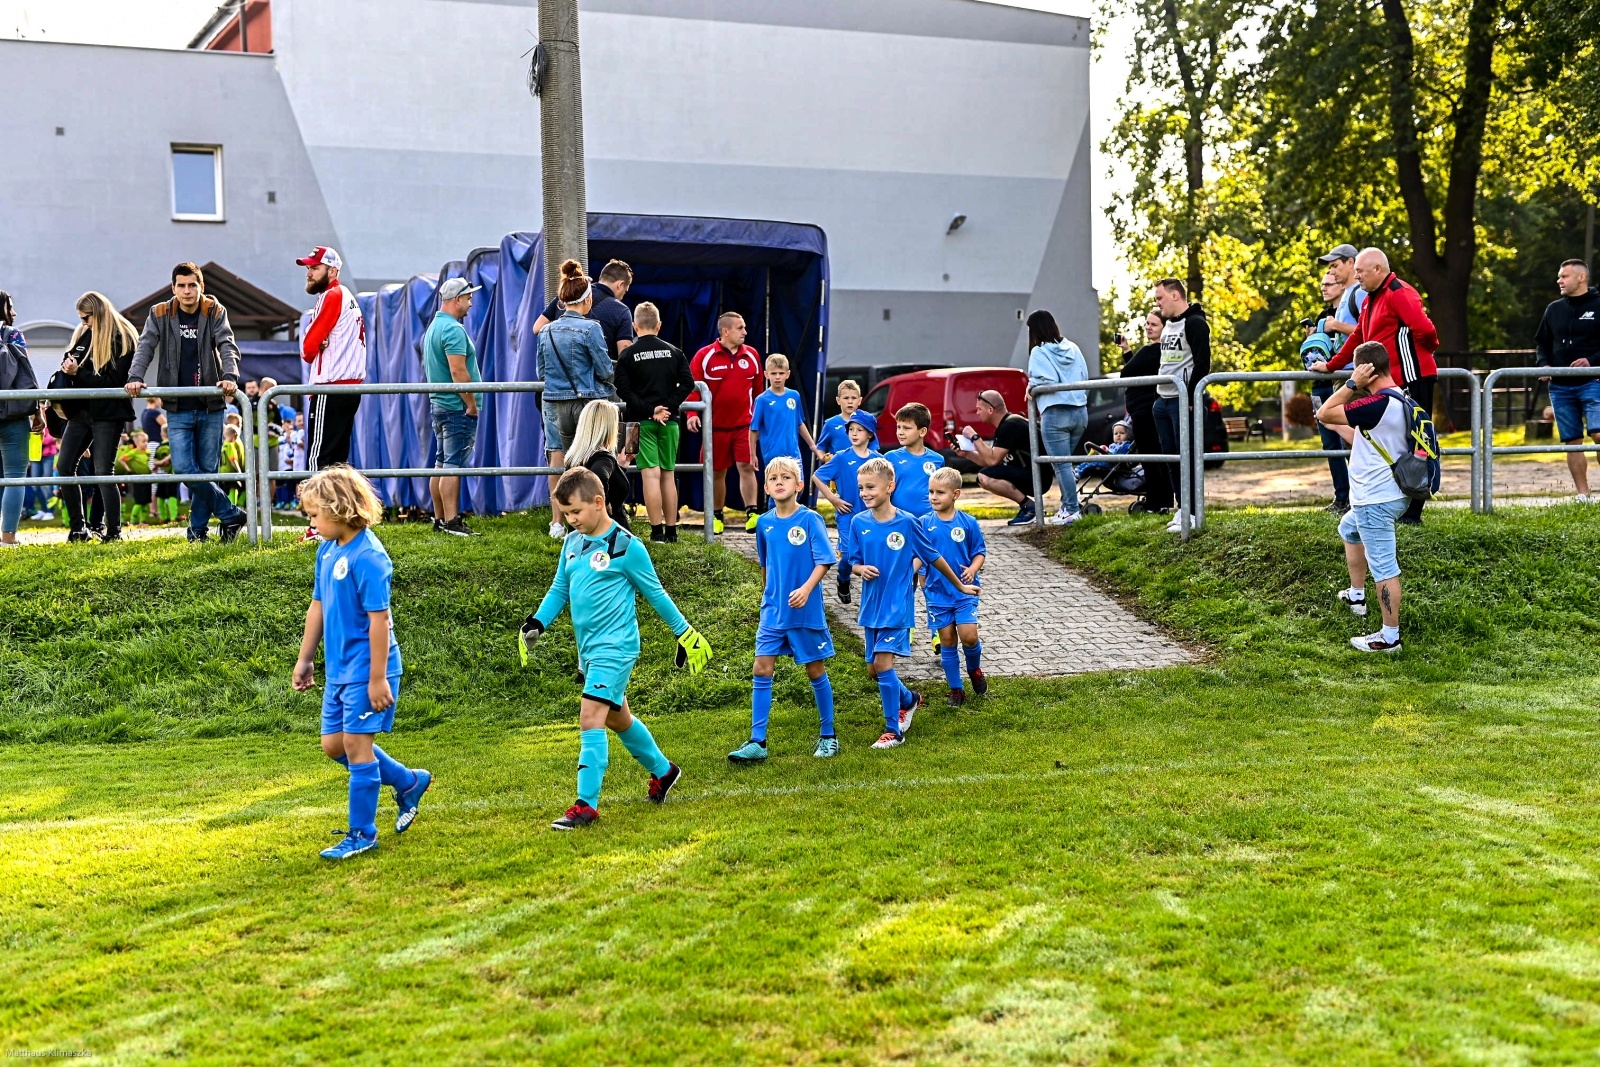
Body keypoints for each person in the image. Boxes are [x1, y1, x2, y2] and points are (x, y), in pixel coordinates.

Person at [517, 466, 713, 831]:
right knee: (616, 717)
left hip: (616, 648)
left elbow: (656, 593)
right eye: (566, 514)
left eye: (576, 511)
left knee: (590, 716)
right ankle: (664, 770)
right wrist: (538, 622)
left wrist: (684, 632)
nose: (572, 519)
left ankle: (585, 805)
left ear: (598, 502)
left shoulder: (626, 546)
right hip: (588, 651)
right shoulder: (572, 544)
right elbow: (560, 588)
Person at [292, 465, 432, 860]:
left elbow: (380, 622)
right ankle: (407, 782)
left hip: (370, 669)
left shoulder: (369, 557)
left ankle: (362, 833)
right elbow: (317, 606)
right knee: (333, 745)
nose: (312, 522)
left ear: (339, 510)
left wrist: (376, 680)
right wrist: (305, 659)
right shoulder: (327, 550)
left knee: (356, 745)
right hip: (339, 670)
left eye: (315, 515)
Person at [847, 457, 980, 749]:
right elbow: (852, 560)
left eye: (871, 487)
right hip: (871, 606)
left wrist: (959, 584)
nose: (865, 493)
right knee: (873, 670)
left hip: (897, 606)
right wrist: (859, 570)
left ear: (890, 486)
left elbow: (934, 557)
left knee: (883, 664)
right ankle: (911, 699)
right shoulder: (858, 522)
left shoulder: (908, 523)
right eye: (861, 488)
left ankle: (893, 730)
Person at [125, 262, 249, 544]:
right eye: (181, 285)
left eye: (192, 285)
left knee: (207, 472)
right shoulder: (159, 313)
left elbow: (227, 344)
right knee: (182, 469)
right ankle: (231, 514)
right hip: (178, 405)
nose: (187, 291)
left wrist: (230, 375)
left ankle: (197, 533)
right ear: (173, 288)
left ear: (201, 287)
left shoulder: (215, 311)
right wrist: (135, 376)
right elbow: (145, 346)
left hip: (211, 405)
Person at [726, 457, 840, 763]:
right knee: (761, 668)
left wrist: (805, 589)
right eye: (773, 478)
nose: (779, 482)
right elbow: (765, 566)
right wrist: (768, 597)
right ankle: (757, 742)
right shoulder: (764, 523)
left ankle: (829, 736)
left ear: (799, 486)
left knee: (815, 670)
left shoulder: (810, 520)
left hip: (804, 612)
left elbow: (825, 560)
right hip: (773, 611)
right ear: (765, 487)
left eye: (786, 477)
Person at [1312, 247, 1438, 525]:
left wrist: (1422, 357)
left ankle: (1413, 513)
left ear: (1377, 270)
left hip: (1413, 378)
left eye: (1360, 271)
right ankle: (1392, 501)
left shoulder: (1399, 293)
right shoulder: (1369, 298)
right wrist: (1331, 366)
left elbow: (1426, 331)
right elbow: (1359, 336)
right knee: (1378, 435)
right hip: (1385, 382)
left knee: (1416, 443)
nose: (1356, 276)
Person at [1315, 342, 1412, 653]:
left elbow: (1324, 411)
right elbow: (1368, 440)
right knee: (1348, 528)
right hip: (1387, 495)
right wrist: (1335, 424)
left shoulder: (1377, 402)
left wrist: (1350, 384)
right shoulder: (1401, 399)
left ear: (1366, 370)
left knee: (1383, 566)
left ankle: (1389, 636)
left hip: (1375, 499)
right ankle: (1357, 594)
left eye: (1356, 369)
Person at [538, 259, 615, 539]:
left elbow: (540, 371)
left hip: (553, 402)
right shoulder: (591, 328)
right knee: (589, 460)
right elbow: (605, 369)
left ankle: (559, 523)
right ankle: (593, 522)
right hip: (584, 402)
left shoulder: (545, 330)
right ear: (588, 298)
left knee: (558, 459)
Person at [58, 292, 138, 544]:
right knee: (63, 467)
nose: (83, 323)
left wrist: (78, 372)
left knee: (104, 471)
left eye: (86, 318)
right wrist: (68, 367)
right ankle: (78, 529)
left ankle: (113, 532)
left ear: (98, 313)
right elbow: (70, 362)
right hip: (81, 412)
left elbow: (114, 383)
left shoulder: (123, 337)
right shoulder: (84, 334)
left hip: (110, 413)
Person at [614, 301, 696, 542]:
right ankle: (672, 531)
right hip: (669, 422)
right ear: (659, 325)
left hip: (637, 423)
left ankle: (656, 532)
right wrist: (667, 408)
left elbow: (623, 390)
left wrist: (650, 411)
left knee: (650, 475)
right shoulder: (675, 352)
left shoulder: (627, 355)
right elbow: (688, 384)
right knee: (668, 474)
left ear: (634, 326)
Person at [688, 312, 763, 534]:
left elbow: (759, 392)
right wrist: (692, 414)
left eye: (745, 327)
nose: (745, 332)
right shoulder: (704, 355)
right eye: (740, 328)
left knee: (747, 466)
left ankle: (752, 513)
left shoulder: (752, 355)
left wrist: (758, 421)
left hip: (744, 426)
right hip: (714, 427)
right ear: (725, 331)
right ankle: (717, 515)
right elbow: (692, 390)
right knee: (717, 471)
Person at [297, 247, 367, 475]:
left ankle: (318, 510)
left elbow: (307, 350)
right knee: (337, 462)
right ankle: (336, 510)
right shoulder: (344, 296)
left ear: (333, 271)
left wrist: (312, 337)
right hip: (347, 387)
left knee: (319, 460)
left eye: (315, 268)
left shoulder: (333, 295)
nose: (309, 273)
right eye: (308, 268)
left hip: (331, 387)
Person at [1534, 258, 1600, 501]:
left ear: (1581, 278)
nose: (1558, 280)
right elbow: (1541, 343)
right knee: (1573, 441)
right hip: (1561, 386)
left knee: (1599, 434)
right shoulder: (1553, 309)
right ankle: (1583, 495)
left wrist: (1591, 361)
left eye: (1564, 276)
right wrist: (1544, 365)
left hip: (1594, 381)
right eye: (1559, 276)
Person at [423, 277, 484, 537]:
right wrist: (471, 404)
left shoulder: (435, 326)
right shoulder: (453, 330)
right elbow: (458, 371)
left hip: (440, 405)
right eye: (468, 298)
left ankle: (440, 520)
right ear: (456, 299)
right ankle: (451, 522)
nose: (471, 303)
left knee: (441, 463)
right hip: (456, 408)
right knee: (453, 466)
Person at [922, 468, 988, 706]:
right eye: (931, 492)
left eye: (940, 492)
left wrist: (973, 569)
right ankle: (956, 689)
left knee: (969, 636)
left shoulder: (968, 522)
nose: (934, 497)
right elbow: (920, 556)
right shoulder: (923, 523)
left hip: (965, 591)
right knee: (947, 640)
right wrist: (921, 580)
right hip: (937, 594)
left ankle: (974, 669)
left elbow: (979, 552)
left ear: (956, 494)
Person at [1152, 278, 1211, 533]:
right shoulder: (1167, 326)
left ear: (1175, 295)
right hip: (1162, 400)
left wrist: (1188, 396)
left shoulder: (1195, 323)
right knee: (1172, 458)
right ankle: (1182, 508)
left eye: (1160, 298)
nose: (1157, 303)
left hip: (1181, 400)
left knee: (1187, 457)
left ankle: (1195, 513)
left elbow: (1203, 364)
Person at [1024, 310, 1090, 525]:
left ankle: (1072, 510)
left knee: (1061, 465)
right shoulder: (1073, 347)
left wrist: (1032, 387)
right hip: (1080, 411)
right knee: (1066, 464)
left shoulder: (1039, 352)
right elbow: (1084, 377)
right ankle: (1066, 507)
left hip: (1055, 412)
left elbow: (1046, 380)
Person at [747, 353, 822, 529]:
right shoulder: (762, 400)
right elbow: (753, 429)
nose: (777, 377)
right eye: (773, 373)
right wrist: (752, 454)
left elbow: (799, 423)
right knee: (777, 490)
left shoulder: (794, 396)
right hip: (773, 455)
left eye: (781, 373)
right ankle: (775, 526)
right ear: (766, 374)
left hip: (793, 453)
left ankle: (791, 523)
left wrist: (812, 445)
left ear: (788, 374)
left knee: (797, 487)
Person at [811, 410, 880, 604]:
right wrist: (834, 500)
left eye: (859, 430)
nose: (854, 433)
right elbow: (817, 477)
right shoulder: (841, 457)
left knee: (871, 555)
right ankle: (843, 579)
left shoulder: (878, 460)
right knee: (849, 554)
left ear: (870, 435)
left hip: (872, 516)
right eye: (851, 429)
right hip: (847, 515)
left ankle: (873, 597)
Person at [957, 391, 1044, 527]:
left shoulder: (1011, 425)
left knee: (984, 477)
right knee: (986, 475)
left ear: (990, 410)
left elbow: (992, 461)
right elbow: (990, 461)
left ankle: (1030, 508)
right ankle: (1029, 508)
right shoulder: (1006, 424)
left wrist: (975, 437)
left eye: (979, 409)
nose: (977, 413)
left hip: (1038, 476)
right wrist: (967, 454)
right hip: (1030, 472)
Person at [1305, 270, 1352, 513]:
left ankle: (1357, 497)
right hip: (1319, 385)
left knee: (1349, 439)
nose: (1324, 288)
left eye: (1329, 284)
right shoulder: (1322, 317)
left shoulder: (1348, 314)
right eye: (1322, 284)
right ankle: (1341, 497)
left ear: (1343, 285)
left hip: (1341, 382)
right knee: (1329, 442)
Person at [0, 291, 42, 548]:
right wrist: (37, 410)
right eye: (10, 307)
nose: (14, 313)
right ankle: (8, 538)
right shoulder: (13, 336)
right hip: (13, 414)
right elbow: (26, 374)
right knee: (15, 475)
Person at [1120, 310, 1172, 514]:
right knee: (1158, 456)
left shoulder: (1151, 351)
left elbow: (1127, 373)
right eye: (1147, 324)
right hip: (1149, 408)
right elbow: (1137, 370)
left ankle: (1155, 503)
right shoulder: (1163, 353)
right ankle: (1163, 501)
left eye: (1154, 324)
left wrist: (1131, 357)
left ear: (1164, 329)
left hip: (1144, 411)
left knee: (1151, 458)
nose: (1148, 327)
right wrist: (1127, 352)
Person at [534, 259, 636, 358]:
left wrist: (560, 330)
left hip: (558, 372)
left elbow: (537, 328)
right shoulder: (621, 310)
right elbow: (624, 353)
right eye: (625, 291)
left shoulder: (569, 294)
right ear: (620, 284)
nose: (623, 296)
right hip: (594, 373)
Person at [564, 399, 632, 532]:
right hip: (609, 534)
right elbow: (599, 475)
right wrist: (603, 503)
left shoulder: (575, 457)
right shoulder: (603, 457)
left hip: (581, 532)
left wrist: (621, 467)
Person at [816, 379, 863, 457]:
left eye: (854, 398)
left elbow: (873, 449)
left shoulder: (866, 423)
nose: (850, 401)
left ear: (859, 400)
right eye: (846, 398)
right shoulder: (830, 424)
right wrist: (824, 458)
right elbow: (820, 448)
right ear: (838, 400)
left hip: (860, 468)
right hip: (838, 468)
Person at [116, 430, 153, 525]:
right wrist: (128, 469)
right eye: (143, 441)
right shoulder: (133, 453)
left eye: (146, 441)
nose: (146, 443)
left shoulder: (147, 453)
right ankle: (134, 520)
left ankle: (143, 520)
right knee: (139, 501)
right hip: (138, 479)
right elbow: (121, 459)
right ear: (136, 443)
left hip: (147, 478)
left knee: (146, 501)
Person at [220, 423, 248, 507]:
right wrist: (239, 471)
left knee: (226, 490)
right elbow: (233, 460)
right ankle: (233, 506)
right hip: (231, 472)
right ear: (234, 435)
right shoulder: (230, 446)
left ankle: (227, 506)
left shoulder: (223, 445)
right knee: (233, 488)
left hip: (222, 471)